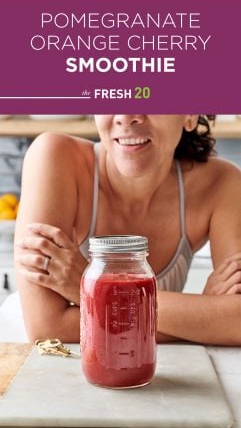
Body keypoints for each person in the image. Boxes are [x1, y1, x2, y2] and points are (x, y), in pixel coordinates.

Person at [14, 114, 241, 345]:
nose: (125, 117)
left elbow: (237, 321)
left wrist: (98, 291)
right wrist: (202, 320)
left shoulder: (221, 183)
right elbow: (48, 328)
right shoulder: (54, 155)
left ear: (190, 115)